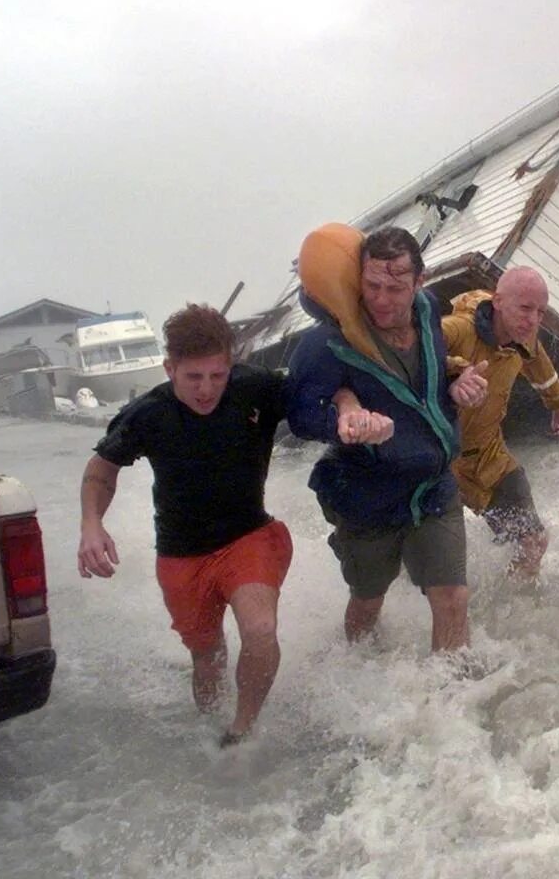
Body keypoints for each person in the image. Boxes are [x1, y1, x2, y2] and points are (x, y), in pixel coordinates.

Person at [77, 304, 292, 747]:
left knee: (260, 629)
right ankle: (209, 731)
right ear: (169, 367)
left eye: (217, 375)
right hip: (181, 553)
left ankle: (241, 731)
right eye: (194, 377)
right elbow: (101, 469)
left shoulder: (256, 388)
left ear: (230, 364)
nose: (207, 389)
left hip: (248, 536)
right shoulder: (148, 413)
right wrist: (92, 524)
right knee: (206, 654)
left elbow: (320, 392)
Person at [286, 223, 488, 651]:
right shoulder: (327, 342)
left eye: (395, 289)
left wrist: (457, 381)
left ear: (420, 281)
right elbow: (300, 416)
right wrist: (342, 422)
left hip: (433, 485)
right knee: (367, 601)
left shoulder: (429, 310)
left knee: (452, 597)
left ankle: (452, 704)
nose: (380, 299)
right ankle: (363, 672)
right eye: (372, 285)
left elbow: (423, 381)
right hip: (367, 494)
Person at [441, 268, 559, 578]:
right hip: (439, 461)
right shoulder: (458, 328)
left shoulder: (522, 337)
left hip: (489, 456)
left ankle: (508, 611)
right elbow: (413, 349)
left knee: (533, 542)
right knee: (434, 564)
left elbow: (537, 361)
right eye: (526, 308)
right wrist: (455, 371)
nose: (533, 319)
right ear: (498, 301)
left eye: (540, 312)